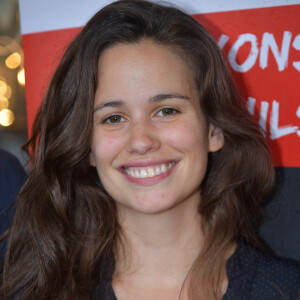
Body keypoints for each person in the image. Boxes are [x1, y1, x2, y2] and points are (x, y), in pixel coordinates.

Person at [1, 1, 300, 299]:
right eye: (113, 118)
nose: (141, 141)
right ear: (88, 148)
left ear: (213, 129)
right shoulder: (39, 291)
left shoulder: (284, 289)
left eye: (167, 111)